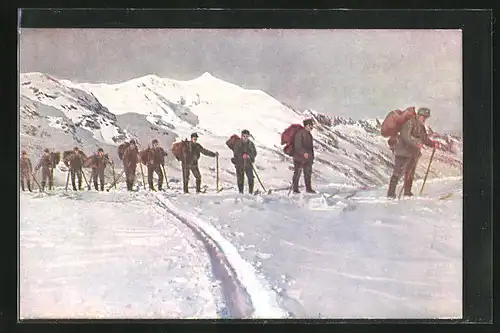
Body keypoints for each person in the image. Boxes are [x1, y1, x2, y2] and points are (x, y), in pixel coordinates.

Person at [387, 107, 439, 198]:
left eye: (426, 117)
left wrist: (432, 143)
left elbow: (424, 139)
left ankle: (407, 193)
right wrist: (416, 143)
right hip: (402, 153)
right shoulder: (409, 122)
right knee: (397, 173)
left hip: (413, 154)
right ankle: (391, 194)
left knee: (410, 173)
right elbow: (405, 136)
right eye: (424, 117)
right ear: (419, 115)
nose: (425, 119)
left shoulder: (421, 126)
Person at [292, 118, 316, 194]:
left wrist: (311, 157)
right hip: (299, 158)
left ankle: (308, 189)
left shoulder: (309, 134)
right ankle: (295, 189)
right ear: (307, 125)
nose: (312, 127)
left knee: (308, 174)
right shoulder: (300, 133)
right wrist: (304, 153)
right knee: (297, 173)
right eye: (311, 125)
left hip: (307, 158)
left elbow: (310, 148)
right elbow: (297, 146)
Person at [232, 129, 257, 194]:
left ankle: (250, 192)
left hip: (248, 164)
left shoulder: (251, 144)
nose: (245, 137)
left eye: (247, 136)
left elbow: (254, 153)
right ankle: (241, 192)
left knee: (251, 178)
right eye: (244, 136)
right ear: (241, 136)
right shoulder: (237, 143)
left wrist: (249, 155)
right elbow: (236, 153)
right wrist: (242, 156)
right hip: (239, 164)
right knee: (240, 179)